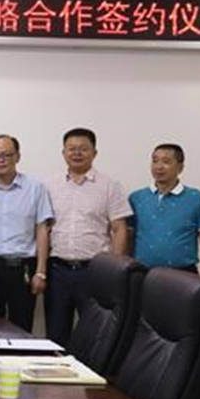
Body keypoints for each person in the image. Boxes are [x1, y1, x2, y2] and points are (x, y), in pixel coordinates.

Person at [45, 127, 132, 346]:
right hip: (57, 271)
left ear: (95, 152)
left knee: (95, 335)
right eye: (71, 149)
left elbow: (119, 228)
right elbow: (43, 228)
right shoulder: (49, 186)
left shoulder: (110, 186)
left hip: (94, 271)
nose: (77, 153)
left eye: (83, 149)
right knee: (56, 334)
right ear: (63, 153)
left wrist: (115, 270)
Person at [0, 134, 53, 332]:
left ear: (17, 156)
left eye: (7, 155)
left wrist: (41, 272)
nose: (1, 160)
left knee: (22, 327)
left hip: (23, 267)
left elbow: (42, 229)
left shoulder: (35, 188)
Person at [129, 143, 200, 275]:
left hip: (183, 273)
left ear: (180, 167)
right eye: (155, 161)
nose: (159, 166)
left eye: (166, 161)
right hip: (142, 273)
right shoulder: (137, 198)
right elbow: (128, 236)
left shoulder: (196, 198)